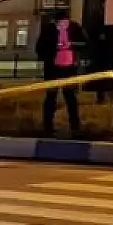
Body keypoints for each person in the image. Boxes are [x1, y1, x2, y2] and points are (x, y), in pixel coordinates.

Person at [36, 8, 88, 137]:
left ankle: (75, 127)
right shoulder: (49, 30)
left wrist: (71, 44)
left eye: (65, 22)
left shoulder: (75, 27)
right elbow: (39, 48)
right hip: (53, 69)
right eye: (60, 23)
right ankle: (47, 126)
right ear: (55, 22)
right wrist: (54, 47)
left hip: (69, 68)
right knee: (50, 98)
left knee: (71, 98)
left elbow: (85, 43)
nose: (63, 25)